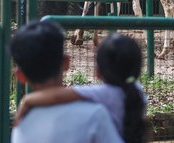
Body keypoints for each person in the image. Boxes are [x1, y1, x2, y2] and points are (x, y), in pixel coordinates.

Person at [14, 32, 147, 143]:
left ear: (98, 72)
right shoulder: (137, 91)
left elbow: (58, 95)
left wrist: (28, 100)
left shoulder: (104, 95)